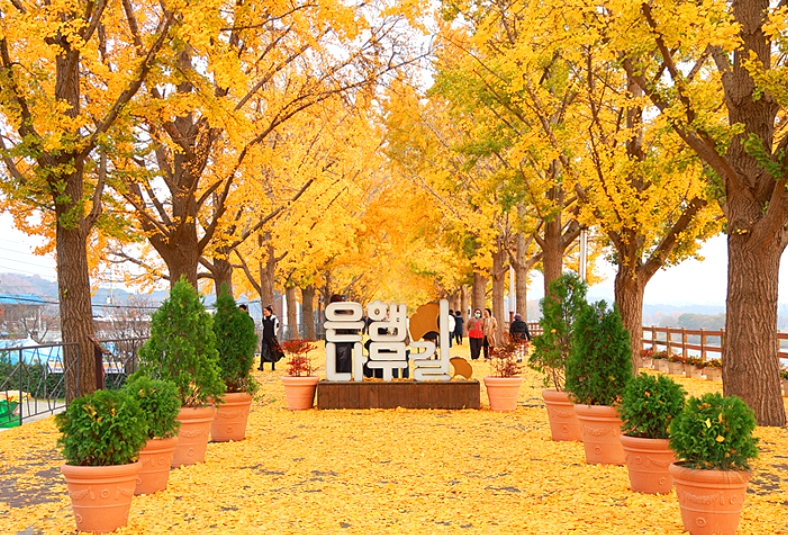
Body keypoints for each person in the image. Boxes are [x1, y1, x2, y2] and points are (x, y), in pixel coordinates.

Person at [258, 305, 282, 371]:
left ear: (269, 311)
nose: (264, 313)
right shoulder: (263, 319)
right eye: (264, 311)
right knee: (263, 351)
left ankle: (273, 367)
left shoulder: (274, 319)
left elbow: (276, 327)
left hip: (272, 337)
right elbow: (262, 327)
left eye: (266, 311)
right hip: (265, 337)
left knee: (273, 351)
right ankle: (261, 366)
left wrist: (274, 335)